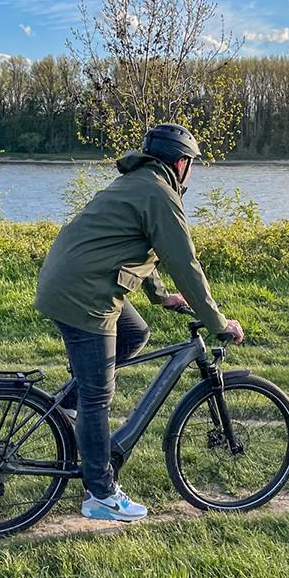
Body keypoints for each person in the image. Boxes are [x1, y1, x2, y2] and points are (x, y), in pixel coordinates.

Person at [34, 123, 245, 522]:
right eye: (192, 164)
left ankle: (68, 409)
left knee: (135, 333)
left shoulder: (140, 183)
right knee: (99, 395)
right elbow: (185, 262)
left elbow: (134, 243)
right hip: (85, 294)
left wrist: (159, 295)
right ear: (181, 163)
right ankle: (100, 494)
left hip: (75, 281)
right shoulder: (159, 193)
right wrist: (216, 321)